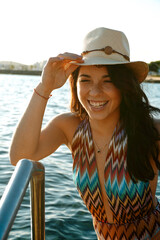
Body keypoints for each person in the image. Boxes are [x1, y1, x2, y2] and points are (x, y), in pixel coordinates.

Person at [10, 27, 160, 240]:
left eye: (108, 81)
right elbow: (19, 156)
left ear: (124, 86)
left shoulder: (151, 131)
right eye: (86, 79)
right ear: (75, 84)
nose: (95, 91)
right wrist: (45, 87)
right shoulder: (68, 127)